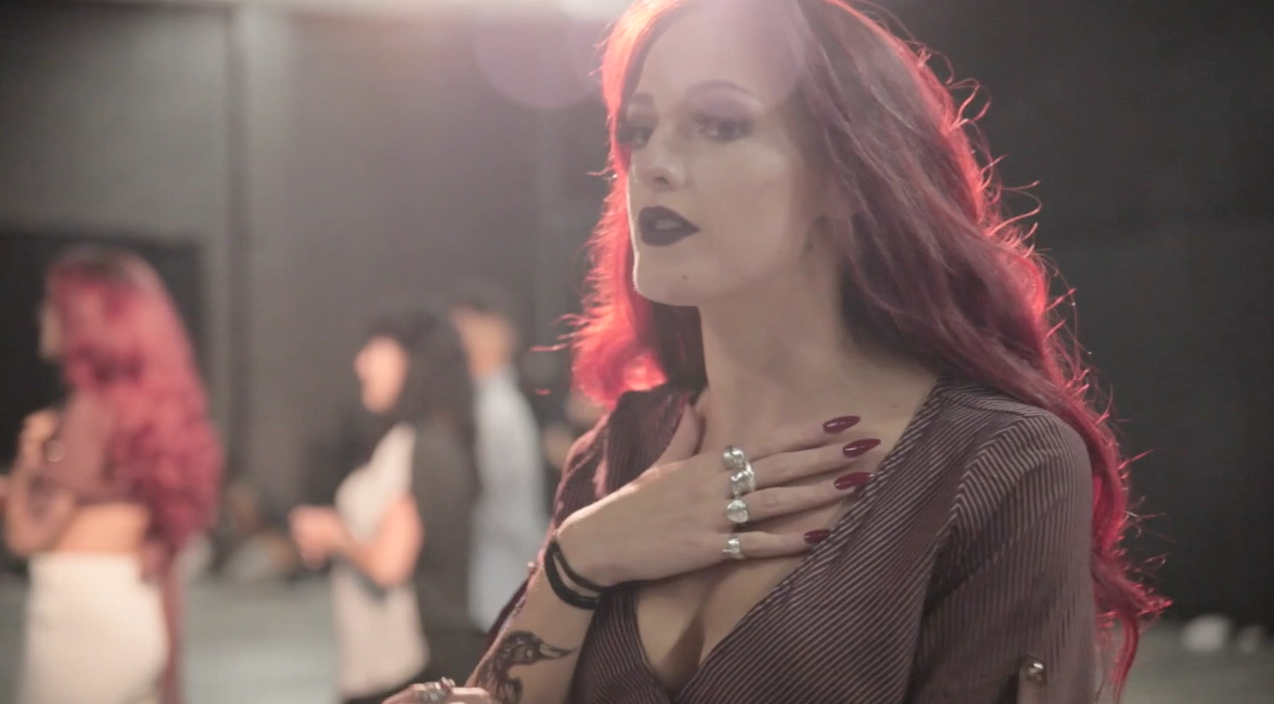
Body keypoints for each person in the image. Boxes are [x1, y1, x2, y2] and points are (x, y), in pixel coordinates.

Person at [387, 1, 1166, 703]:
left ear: (847, 176)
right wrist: (578, 559)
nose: (652, 163)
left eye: (720, 123)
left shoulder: (998, 465)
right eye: (638, 129)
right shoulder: (617, 451)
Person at [2, 246, 222, 704]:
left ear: (86, 319)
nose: (43, 315)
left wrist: (26, 467)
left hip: (80, 625)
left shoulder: (89, 412)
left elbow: (27, 536)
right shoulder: (148, 415)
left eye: (54, 304)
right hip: (132, 614)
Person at [289, 308, 481, 703]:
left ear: (413, 359)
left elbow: (388, 565)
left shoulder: (415, 443)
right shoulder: (436, 438)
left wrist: (334, 534)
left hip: (404, 669)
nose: (362, 364)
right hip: (409, 662)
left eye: (375, 350)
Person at [448, 288, 550, 634]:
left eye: (469, 328)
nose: (460, 341)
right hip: (500, 571)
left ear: (501, 334)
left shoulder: (497, 409)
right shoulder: (491, 404)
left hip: (500, 573)